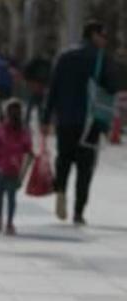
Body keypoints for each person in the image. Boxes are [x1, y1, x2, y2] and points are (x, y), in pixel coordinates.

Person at [42, 20, 114, 225]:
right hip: (90, 122)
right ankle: (78, 211)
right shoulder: (100, 59)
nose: (105, 40)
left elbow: (53, 88)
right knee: (85, 167)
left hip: (65, 119)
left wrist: (46, 118)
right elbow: (109, 92)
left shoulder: (65, 56)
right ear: (93, 35)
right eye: (103, 36)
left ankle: (61, 191)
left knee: (64, 159)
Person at [0, 99, 32, 235]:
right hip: (9, 169)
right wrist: (23, 174)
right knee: (8, 198)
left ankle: (3, 221)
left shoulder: (4, 129)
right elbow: (28, 152)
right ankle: (6, 222)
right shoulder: (21, 131)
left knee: (2, 196)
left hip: (4, 169)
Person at [23, 48, 53, 126]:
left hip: (41, 85)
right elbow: (27, 71)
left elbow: (50, 75)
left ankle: (39, 121)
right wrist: (30, 82)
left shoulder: (47, 64)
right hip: (35, 84)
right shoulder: (37, 62)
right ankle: (27, 121)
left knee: (39, 104)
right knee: (32, 103)